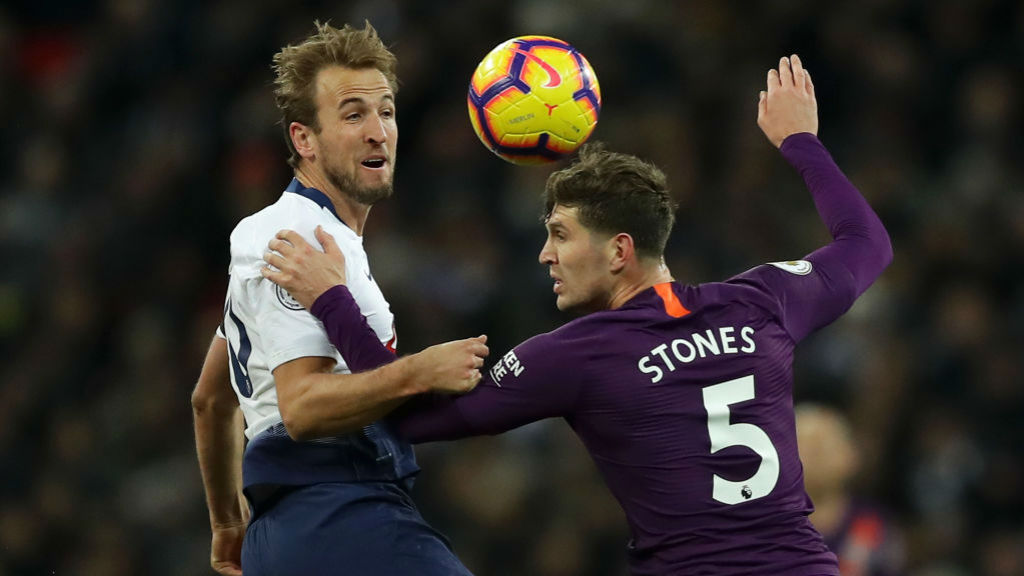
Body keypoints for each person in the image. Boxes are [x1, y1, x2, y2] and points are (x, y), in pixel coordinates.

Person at [264, 54, 893, 575]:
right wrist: (800, 140)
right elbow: (866, 245)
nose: (545, 255)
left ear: (620, 250)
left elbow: (407, 417)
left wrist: (332, 301)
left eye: (561, 235)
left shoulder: (577, 354)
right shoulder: (761, 303)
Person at [191, 21, 489, 576]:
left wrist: (230, 525)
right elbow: (302, 408)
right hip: (336, 510)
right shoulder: (295, 238)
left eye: (387, 111)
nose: (378, 131)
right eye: (353, 115)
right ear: (304, 140)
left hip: (302, 528)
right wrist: (418, 370)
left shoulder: (313, 240)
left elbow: (212, 399)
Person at [795, 403, 905, 576]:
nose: (817, 455)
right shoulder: (763, 524)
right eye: (806, 444)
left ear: (850, 456)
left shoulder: (871, 523)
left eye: (826, 444)